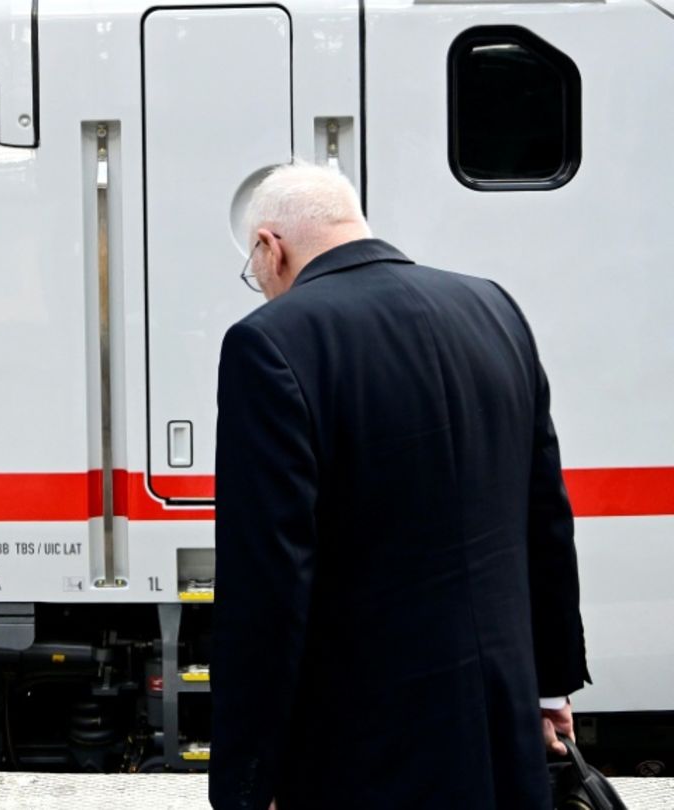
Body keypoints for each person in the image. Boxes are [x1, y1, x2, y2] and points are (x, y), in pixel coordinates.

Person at [210, 163, 588, 809]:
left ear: (270, 247)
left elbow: (267, 578)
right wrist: (550, 687)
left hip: (365, 744)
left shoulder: (270, 341)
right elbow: (545, 516)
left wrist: (251, 772)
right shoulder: (492, 307)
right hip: (500, 721)